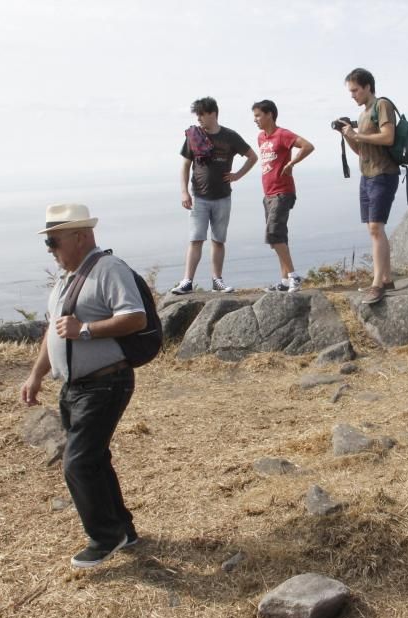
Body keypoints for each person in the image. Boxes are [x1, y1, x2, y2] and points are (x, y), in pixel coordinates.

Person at [20, 203, 146, 569]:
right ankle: (123, 529)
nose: (50, 249)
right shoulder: (66, 279)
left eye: (54, 242)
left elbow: (134, 317)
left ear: (81, 236)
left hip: (106, 383)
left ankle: (105, 537)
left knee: (77, 463)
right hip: (75, 387)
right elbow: (53, 332)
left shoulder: (108, 269)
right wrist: (37, 374)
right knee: (94, 459)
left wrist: (86, 330)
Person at [171, 97, 258, 295]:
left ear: (213, 114)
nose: (199, 118)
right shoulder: (193, 136)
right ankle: (187, 282)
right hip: (199, 197)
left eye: (202, 114)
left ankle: (217, 281)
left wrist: (237, 175)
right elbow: (185, 166)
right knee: (195, 239)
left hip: (223, 197)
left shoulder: (230, 136)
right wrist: (184, 192)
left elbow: (252, 157)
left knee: (218, 240)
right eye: (197, 115)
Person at [334, 67, 399, 305]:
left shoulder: (382, 105)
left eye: (355, 90)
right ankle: (387, 279)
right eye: (350, 91)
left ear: (367, 87)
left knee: (375, 228)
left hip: (383, 173)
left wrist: (358, 134)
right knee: (374, 229)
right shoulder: (363, 114)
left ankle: (377, 284)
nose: (352, 95)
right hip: (367, 174)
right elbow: (362, 150)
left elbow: (388, 137)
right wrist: (348, 135)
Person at [251, 99, 315, 292]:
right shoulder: (261, 137)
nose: (255, 120)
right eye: (254, 116)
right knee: (279, 238)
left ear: (270, 114)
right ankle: (285, 281)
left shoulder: (283, 134)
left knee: (274, 234)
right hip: (268, 194)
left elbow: (308, 146)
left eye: (258, 115)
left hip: (283, 192)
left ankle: (294, 276)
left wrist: (291, 163)